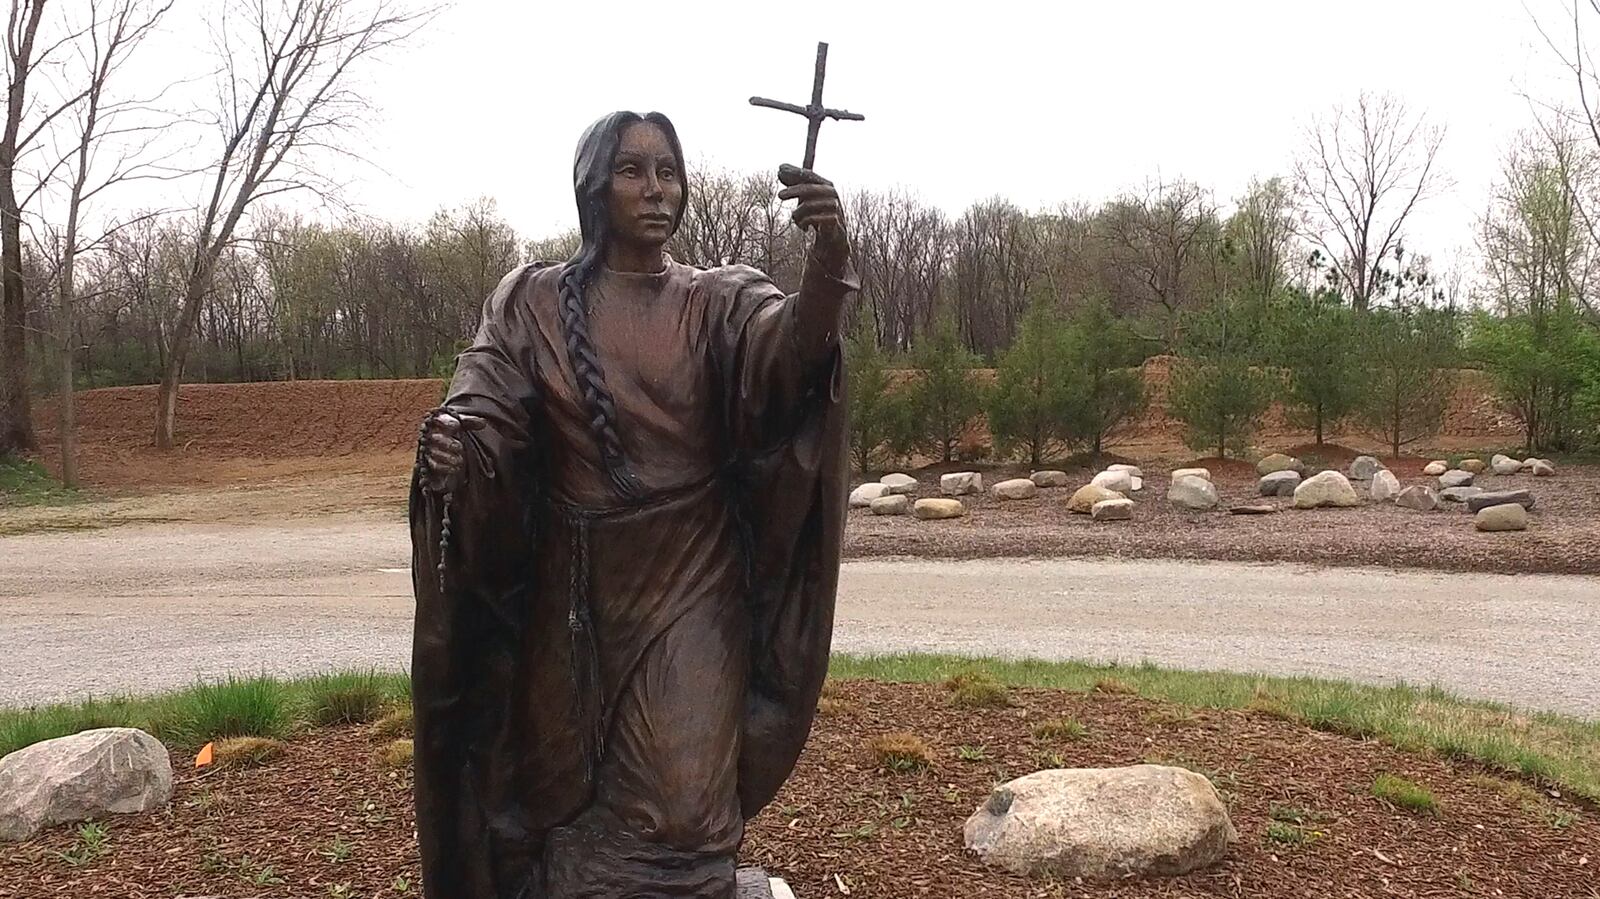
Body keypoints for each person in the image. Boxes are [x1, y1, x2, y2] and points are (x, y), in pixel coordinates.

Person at [409, 109, 857, 898]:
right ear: (593, 186)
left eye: (669, 172)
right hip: (572, 588)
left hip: (692, 578)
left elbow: (789, 360)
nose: (657, 189)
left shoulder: (718, 300)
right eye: (633, 171)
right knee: (541, 796)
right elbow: (486, 406)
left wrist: (827, 265)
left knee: (683, 805)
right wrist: (459, 446)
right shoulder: (533, 302)